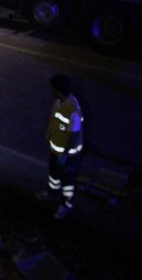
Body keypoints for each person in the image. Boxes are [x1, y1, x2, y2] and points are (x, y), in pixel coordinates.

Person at [36, 74, 84, 219]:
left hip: (68, 155)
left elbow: (74, 135)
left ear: (59, 90)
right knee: (53, 174)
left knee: (67, 182)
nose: (50, 91)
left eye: (52, 88)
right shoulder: (58, 101)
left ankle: (66, 205)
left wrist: (64, 154)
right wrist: (49, 136)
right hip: (55, 149)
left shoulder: (73, 110)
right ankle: (52, 193)